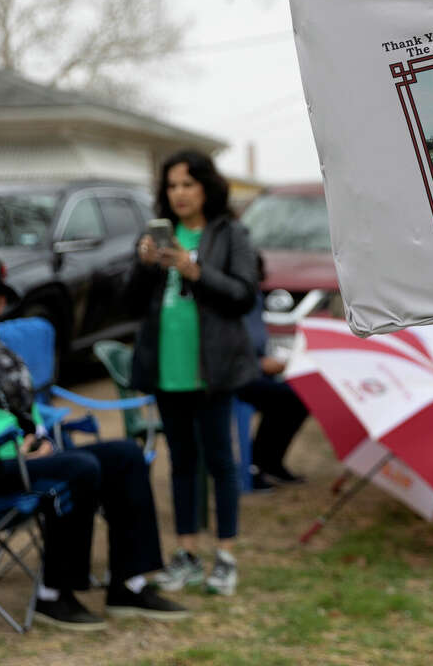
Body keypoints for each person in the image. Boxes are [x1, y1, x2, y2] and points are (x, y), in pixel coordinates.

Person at [0, 249, 187, 630]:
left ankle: (129, 585)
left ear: (0, 303)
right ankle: (55, 594)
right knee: (79, 468)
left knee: (124, 454)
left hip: (19, 462)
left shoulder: (6, 359)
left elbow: (30, 419)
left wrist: (37, 439)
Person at [126, 151, 258, 597]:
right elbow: (129, 303)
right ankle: (186, 554)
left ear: (206, 186)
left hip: (212, 368)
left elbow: (243, 294)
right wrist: (144, 267)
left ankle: (225, 556)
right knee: (182, 461)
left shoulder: (230, 232)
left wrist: (194, 271)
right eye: (171, 186)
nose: (179, 193)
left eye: (187, 184)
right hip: (168, 365)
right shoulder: (154, 235)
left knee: (220, 461)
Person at [239, 253, 308, 490]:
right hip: (235, 375)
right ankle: (256, 466)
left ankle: (270, 463)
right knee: (284, 399)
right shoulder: (231, 299)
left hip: (255, 371)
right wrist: (258, 364)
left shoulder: (255, 296)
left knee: (299, 397)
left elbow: (255, 341)